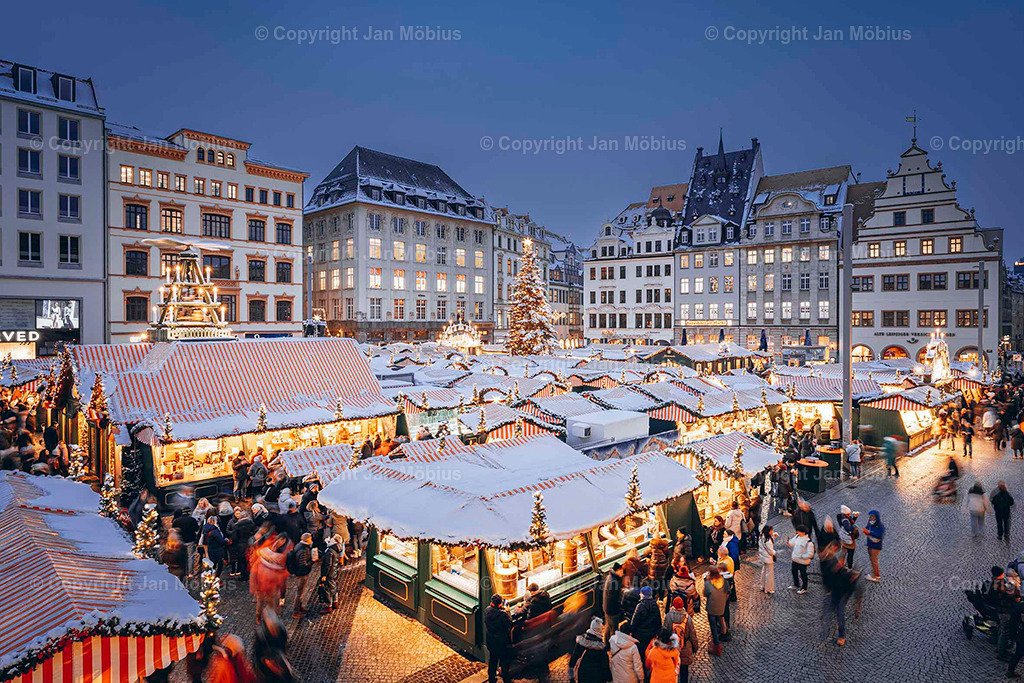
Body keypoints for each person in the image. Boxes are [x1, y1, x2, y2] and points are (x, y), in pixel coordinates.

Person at [250, 534, 291, 624]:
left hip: (262, 585)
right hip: (270, 586)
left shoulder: (259, 561)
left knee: (261, 602)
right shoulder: (272, 562)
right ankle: (271, 617)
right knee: (271, 602)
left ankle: (259, 618)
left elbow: (253, 574)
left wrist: (253, 586)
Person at [663, 597, 698, 683]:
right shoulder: (687, 618)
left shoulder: (668, 616)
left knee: (672, 668)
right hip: (684, 646)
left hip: (672, 646)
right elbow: (692, 634)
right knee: (684, 670)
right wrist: (695, 647)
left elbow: (665, 632)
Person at [568, 616, 611, 683]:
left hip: (582, 675)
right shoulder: (601, 649)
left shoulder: (580, 643)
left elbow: (573, 660)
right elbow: (605, 667)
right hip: (597, 678)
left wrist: (571, 678)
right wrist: (609, 678)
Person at [484, 595, 514, 683]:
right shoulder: (503, 615)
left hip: (491, 642)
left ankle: (492, 679)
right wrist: (507, 611)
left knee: (492, 661)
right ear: (500, 604)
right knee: (504, 662)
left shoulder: (487, 610)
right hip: (501, 643)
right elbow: (509, 622)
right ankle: (506, 679)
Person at [286, 532, 315, 618]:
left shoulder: (299, 545)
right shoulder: (304, 550)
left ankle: (300, 607)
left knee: (301, 591)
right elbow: (303, 564)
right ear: (307, 540)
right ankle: (296, 612)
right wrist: (312, 561)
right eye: (310, 539)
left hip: (299, 572)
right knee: (300, 593)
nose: (311, 540)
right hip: (302, 573)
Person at [703, 566, 729, 656]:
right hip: (721, 607)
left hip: (712, 608)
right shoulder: (724, 581)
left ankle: (716, 645)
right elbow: (728, 592)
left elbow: (705, 593)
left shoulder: (709, 583)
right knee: (721, 621)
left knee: (713, 626)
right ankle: (723, 634)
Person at [629, 585, 661, 658]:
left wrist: (631, 631)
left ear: (643, 594)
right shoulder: (655, 606)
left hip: (640, 635)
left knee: (641, 654)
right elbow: (658, 622)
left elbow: (635, 621)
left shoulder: (640, 606)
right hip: (651, 634)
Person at [172, 508, 201, 579]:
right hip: (190, 540)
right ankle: (190, 573)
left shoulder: (177, 521)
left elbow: (174, 530)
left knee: (182, 557)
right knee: (191, 557)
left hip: (180, 540)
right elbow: (196, 529)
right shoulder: (192, 520)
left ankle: (183, 572)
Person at [318, 534, 344, 612]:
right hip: (334, 571)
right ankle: (335, 602)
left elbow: (327, 564)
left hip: (329, 572)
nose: (331, 539)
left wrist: (324, 575)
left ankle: (328, 605)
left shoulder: (330, 551)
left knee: (327, 588)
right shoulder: (337, 549)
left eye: (332, 538)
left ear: (335, 541)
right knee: (333, 586)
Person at [228, 508, 256, 580]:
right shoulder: (252, 524)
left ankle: (244, 576)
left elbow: (234, 538)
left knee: (242, 561)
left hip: (240, 546)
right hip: (250, 544)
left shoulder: (236, 526)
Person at [601, 562, 624, 644]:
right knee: (614, 630)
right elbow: (615, 598)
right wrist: (620, 610)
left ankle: (606, 644)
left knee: (608, 626)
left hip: (607, 608)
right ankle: (612, 645)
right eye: (622, 571)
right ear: (618, 570)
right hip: (613, 610)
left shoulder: (610, 577)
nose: (623, 573)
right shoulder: (614, 582)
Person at [788, 525, 814, 594]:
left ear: (803, 532)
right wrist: (789, 543)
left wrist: (801, 556)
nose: (797, 532)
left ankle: (804, 588)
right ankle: (796, 584)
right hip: (795, 560)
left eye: (798, 531)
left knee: (803, 575)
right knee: (794, 572)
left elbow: (810, 554)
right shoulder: (797, 537)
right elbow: (792, 542)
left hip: (802, 562)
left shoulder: (809, 542)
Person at [202, 510, 229, 576]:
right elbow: (221, 541)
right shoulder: (215, 531)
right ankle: (217, 577)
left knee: (212, 565)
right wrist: (226, 541)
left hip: (210, 550)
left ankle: (211, 576)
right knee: (219, 565)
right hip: (217, 551)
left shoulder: (206, 530)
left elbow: (204, 542)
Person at [863, 510, 885, 582]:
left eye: (873, 517)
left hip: (876, 546)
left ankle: (877, 576)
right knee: (872, 560)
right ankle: (873, 573)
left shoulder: (880, 526)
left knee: (874, 560)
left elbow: (879, 535)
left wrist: (869, 532)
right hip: (870, 543)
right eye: (871, 516)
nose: (871, 518)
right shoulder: (870, 523)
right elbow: (867, 528)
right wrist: (866, 530)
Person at [647, 535, 670, 603]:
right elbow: (668, 555)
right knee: (662, 584)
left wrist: (650, 557)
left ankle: (653, 599)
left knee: (653, 585)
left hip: (654, 570)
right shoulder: (665, 546)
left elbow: (645, 553)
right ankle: (661, 599)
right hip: (662, 568)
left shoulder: (651, 547)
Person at [759, 524, 777, 594]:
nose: (772, 532)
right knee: (769, 574)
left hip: (763, 557)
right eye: (771, 530)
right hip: (768, 558)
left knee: (763, 572)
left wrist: (773, 537)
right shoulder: (768, 540)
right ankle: (768, 589)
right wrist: (775, 553)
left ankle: (762, 586)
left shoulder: (761, 537)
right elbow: (771, 551)